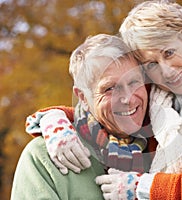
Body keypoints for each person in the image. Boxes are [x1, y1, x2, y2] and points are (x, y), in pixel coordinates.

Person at [22, 1, 182, 199]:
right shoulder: (157, 100)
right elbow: (107, 113)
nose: (166, 71)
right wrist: (54, 118)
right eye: (151, 63)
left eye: (169, 52)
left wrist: (144, 187)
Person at [11, 34, 151, 200]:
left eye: (134, 82)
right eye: (110, 88)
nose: (128, 98)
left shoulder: (164, 145)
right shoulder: (43, 157)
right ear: (83, 98)